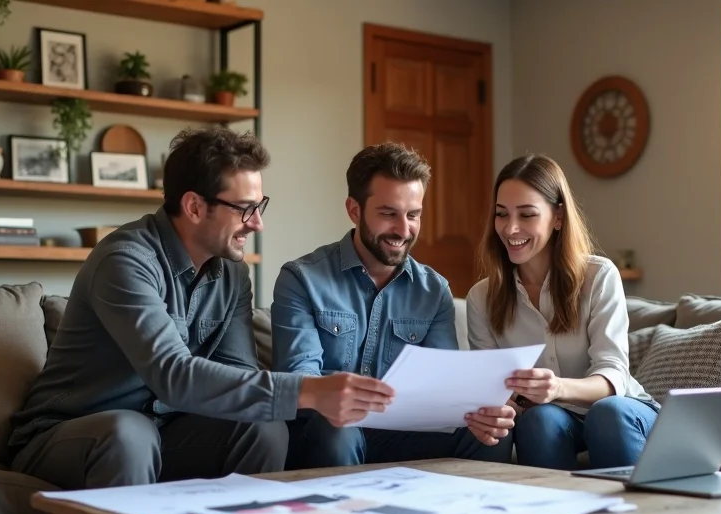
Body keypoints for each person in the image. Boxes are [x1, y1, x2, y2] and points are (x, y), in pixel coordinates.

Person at [8, 126, 393, 490]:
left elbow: (238, 373)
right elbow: (172, 374)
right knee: (130, 432)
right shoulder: (124, 260)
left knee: (263, 425)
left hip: (164, 431)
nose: (257, 224)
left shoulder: (232, 274)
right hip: (69, 434)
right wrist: (308, 390)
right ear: (193, 206)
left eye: (260, 206)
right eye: (244, 208)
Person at [271, 142, 515, 470]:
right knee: (338, 430)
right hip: (326, 431)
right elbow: (300, 381)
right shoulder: (302, 279)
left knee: (488, 433)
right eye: (388, 214)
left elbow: (444, 386)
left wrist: (478, 410)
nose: (403, 230)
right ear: (354, 210)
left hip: (403, 434)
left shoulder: (434, 290)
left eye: (413, 215)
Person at [465, 153, 659, 471]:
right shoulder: (481, 298)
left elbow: (613, 375)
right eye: (502, 214)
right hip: (553, 420)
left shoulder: (599, 276)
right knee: (538, 420)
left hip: (622, 413)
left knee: (606, 413)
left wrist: (557, 387)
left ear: (557, 217)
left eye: (527, 215)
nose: (511, 228)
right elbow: (492, 390)